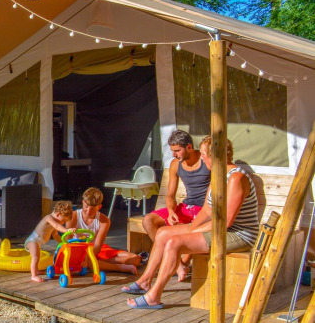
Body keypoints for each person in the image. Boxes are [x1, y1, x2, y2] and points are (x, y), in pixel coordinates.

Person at [123, 136, 259, 309]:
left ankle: (153, 296)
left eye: (203, 154)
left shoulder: (236, 178)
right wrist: (191, 228)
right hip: (220, 228)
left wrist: (188, 233)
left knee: (175, 242)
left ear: (215, 156)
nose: (201, 158)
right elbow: (207, 211)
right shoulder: (218, 177)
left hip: (239, 234)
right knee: (163, 233)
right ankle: (145, 282)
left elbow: (225, 223)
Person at [142, 129, 210, 280]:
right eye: (172, 151)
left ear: (189, 147)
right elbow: (170, 195)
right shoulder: (175, 164)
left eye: (177, 150)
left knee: (187, 229)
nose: (174, 154)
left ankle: (181, 262)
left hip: (203, 209)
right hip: (186, 206)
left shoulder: (206, 161)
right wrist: (171, 211)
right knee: (148, 220)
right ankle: (179, 264)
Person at [67, 187, 142, 275]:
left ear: (99, 207)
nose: (88, 211)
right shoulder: (73, 216)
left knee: (136, 259)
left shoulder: (104, 220)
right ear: (83, 202)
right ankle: (118, 267)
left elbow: (98, 246)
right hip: (79, 249)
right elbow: (68, 240)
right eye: (86, 207)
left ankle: (96, 263)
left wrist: (88, 258)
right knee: (82, 260)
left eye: (93, 208)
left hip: (95, 250)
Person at [25, 201, 74, 283]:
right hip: (32, 240)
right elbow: (57, 226)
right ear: (58, 214)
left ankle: (36, 271)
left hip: (37, 241)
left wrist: (64, 243)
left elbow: (56, 235)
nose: (63, 223)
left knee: (37, 257)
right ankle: (34, 276)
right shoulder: (49, 218)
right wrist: (67, 230)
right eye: (63, 221)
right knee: (35, 257)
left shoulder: (55, 223)